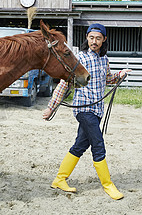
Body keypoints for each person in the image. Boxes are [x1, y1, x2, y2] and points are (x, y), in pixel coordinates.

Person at [43, 23, 131, 200]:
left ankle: (60, 179)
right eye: (91, 37)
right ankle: (108, 185)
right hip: (84, 109)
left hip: (97, 110)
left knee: (81, 145)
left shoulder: (104, 60)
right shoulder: (80, 59)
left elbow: (107, 80)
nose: (94, 41)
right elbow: (64, 84)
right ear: (87, 38)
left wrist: (120, 74)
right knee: (98, 145)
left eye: (98, 38)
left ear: (104, 39)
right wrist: (51, 107)